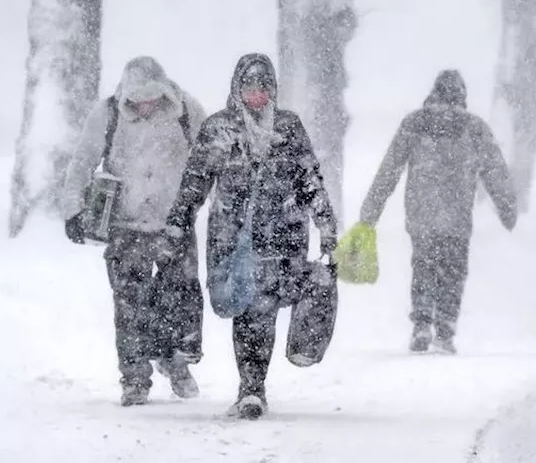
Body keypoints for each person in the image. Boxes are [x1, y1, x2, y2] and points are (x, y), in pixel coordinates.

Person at [163, 53, 338, 419]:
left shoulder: (288, 128)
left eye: (264, 87)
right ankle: (252, 387)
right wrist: (178, 220)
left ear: (273, 90)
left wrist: (326, 225)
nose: (257, 94)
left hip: (285, 237)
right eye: (250, 87)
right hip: (235, 240)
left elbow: (309, 180)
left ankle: (271, 372)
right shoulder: (219, 129)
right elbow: (195, 181)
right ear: (236, 89)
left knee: (279, 301)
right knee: (253, 311)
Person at [60, 56, 207, 407]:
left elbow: (209, 161)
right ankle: (135, 376)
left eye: (152, 98)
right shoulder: (108, 114)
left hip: (175, 224)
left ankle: (175, 360)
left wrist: (222, 207)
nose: (145, 106)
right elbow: (82, 160)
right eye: (137, 100)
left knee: (180, 298)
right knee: (129, 304)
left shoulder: (187, 111)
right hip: (125, 226)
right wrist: (73, 209)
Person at [354, 70, 517, 354]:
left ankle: (421, 321)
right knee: (454, 269)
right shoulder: (474, 127)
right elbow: (495, 171)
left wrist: (371, 211)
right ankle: (445, 327)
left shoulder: (416, 123)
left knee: (424, 265)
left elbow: (389, 170)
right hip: (456, 214)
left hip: (422, 213)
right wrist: (507, 207)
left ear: (434, 92)